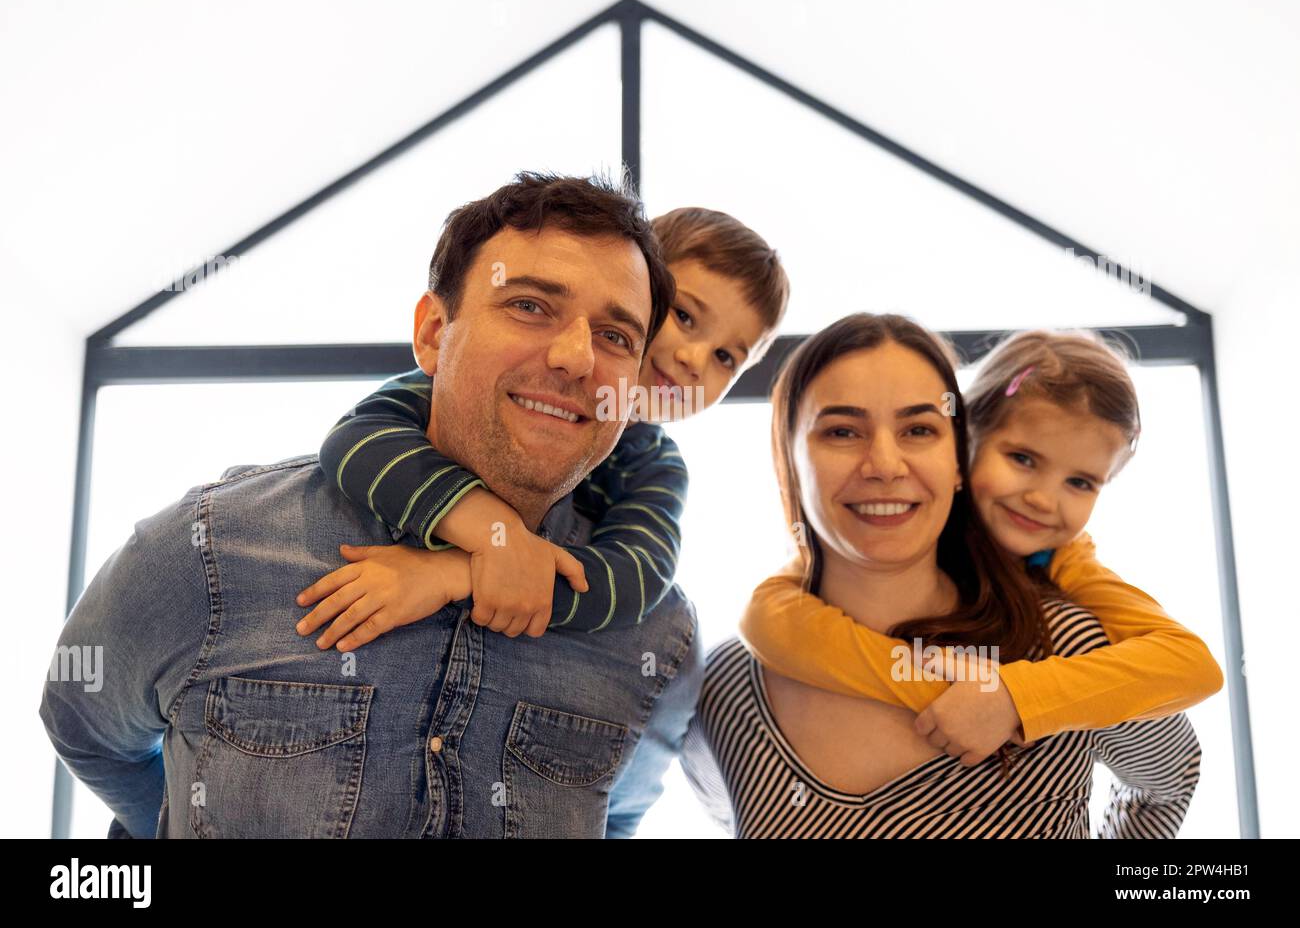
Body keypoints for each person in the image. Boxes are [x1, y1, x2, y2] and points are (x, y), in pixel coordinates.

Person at [41, 171, 704, 839]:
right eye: (530, 305)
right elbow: (85, 728)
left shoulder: (658, 638)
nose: (575, 357)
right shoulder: (209, 547)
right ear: (434, 334)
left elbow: (615, 818)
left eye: (617, 336)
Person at [680, 313, 1202, 838]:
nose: (884, 464)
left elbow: (1171, 777)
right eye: (842, 430)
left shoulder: (1072, 648)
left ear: (957, 457)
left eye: (918, 429)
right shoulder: (723, 688)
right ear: (787, 460)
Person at [300, 207, 789, 650]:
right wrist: (495, 532)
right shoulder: (468, 381)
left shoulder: (654, 465)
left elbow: (637, 575)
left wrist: (461, 571)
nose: (694, 358)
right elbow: (357, 439)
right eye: (684, 316)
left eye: (727, 357)